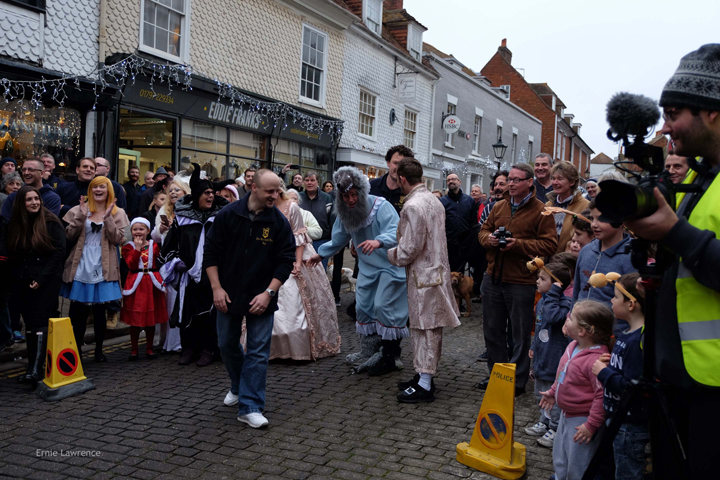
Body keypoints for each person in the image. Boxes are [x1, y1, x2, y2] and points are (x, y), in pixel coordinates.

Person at [617, 43, 720, 478]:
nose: (666, 126)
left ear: (711, 111)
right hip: (674, 378)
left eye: (675, 111)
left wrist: (673, 232)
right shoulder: (699, 175)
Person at [204, 169, 295, 429]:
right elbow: (210, 253)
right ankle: (238, 385)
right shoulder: (228, 215)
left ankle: (251, 406)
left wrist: (269, 293)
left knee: (257, 351)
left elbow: (285, 260)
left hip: (261, 297)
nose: (275, 195)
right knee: (227, 345)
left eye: (277, 190)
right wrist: (217, 288)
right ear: (252, 187)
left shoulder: (278, 221)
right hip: (228, 294)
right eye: (270, 191)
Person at [307, 167, 409, 376]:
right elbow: (339, 237)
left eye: (354, 195)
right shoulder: (345, 212)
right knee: (363, 307)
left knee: (384, 307)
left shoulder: (381, 206)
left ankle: (390, 355)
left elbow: (396, 231)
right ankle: (369, 350)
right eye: (346, 196)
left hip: (390, 266)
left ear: (361, 193)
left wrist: (378, 241)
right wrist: (322, 254)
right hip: (368, 268)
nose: (350, 200)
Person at [478, 163, 557, 395]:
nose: (510, 184)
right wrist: (489, 239)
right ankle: (497, 376)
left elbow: (549, 244)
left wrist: (518, 245)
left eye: (516, 180)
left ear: (529, 182)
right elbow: (482, 231)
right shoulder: (498, 206)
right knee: (492, 332)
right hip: (492, 277)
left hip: (521, 280)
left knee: (520, 334)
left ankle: (517, 381)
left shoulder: (541, 210)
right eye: (508, 180)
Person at [387, 157, 460, 403]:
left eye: (397, 179)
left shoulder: (413, 205)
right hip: (436, 271)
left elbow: (410, 248)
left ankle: (425, 383)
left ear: (403, 179)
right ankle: (421, 376)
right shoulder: (434, 200)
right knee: (425, 327)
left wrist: (390, 254)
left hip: (423, 276)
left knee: (425, 328)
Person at [158, 165, 232, 367]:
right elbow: (170, 246)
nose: (210, 196)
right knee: (187, 312)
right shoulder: (182, 218)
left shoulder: (222, 217)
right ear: (197, 194)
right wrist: (175, 262)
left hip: (214, 274)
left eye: (212, 193)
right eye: (206, 193)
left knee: (210, 312)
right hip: (188, 275)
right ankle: (189, 348)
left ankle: (209, 349)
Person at [539, 300, 613, 480]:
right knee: (560, 454)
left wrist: (591, 425)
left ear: (582, 331)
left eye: (570, 318)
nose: (566, 318)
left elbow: (601, 396)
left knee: (578, 460)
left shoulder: (597, 361)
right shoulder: (572, 347)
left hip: (582, 421)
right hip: (566, 414)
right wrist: (553, 392)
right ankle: (559, 476)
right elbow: (563, 374)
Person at [61, 176, 129, 363]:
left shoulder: (117, 212)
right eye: (95, 187)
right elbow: (69, 236)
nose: (98, 190)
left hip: (103, 263)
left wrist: (108, 219)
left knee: (101, 312)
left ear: (109, 191)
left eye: (102, 187)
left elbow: (117, 240)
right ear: (90, 190)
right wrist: (82, 216)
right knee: (78, 312)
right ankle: (76, 350)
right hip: (81, 263)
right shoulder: (78, 209)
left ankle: (99, 350)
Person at [269, 185, 340, 361]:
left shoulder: (295, 210)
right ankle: (273, 346)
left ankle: (296, 345)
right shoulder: (266, 207)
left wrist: (298, 263)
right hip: (273, 257)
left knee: (296, 300)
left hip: (295, 256)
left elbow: (302, 238)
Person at [592, 272, 648, 480]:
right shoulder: (627, 335)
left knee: (626, 474)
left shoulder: (637, 341)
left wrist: (604, 373)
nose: (611, 300)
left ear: (631, 304)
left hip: (629, 425)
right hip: (617, 420)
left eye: (615, 297)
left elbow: (632, 388)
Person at [7, 186, 65, 387]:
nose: (34, 202)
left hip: (46, 280)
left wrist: (41, 278)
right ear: (21, 203)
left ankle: (35, 370)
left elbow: (59, 252)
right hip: (23, 280)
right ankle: (32, 366)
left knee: (40, 321)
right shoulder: (16, 224)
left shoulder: (50, 222)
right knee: (30, 323)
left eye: (37, 199)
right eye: (29, 199)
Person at [526, 263, 572, 448]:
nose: (537, 281)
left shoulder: (563, 304)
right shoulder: (544, 301)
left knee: (554, 398)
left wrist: (554, 293)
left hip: (554, 360)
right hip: (541, 358)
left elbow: (553, 318)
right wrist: (534, 347)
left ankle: (554, 427)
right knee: (540, 394)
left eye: (542, 279)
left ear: (557, 285)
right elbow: (539, 328)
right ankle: (544, 422)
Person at [573, 201, 635, 334]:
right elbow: (577, 291)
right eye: (592, 218)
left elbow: (633, 305)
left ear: (621, 222)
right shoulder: (586, 251)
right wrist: (571, 317)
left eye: (601, 219)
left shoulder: (631, 257)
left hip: (612, 336)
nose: (594, 224)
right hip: (581, 333)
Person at [151, 179, 190, 353]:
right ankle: (167, 340)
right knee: (168, 301)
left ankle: (181, 341)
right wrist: (162, 229)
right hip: (168, 262)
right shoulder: (164, 211)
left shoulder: (190, 211)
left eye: (177, 190)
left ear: (185, 193)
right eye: (171, 191)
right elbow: (155, 236)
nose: (173, 193)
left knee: (182, 300)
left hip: (185, 261)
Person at [121, 218, 167, 361]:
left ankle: (149, 347)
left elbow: (159, 262)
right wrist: (137, 248)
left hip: (151, 284)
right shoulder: (128, 247)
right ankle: (134, 349)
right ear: (131, 231)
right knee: (135, 319)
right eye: (135, 229)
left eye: (141, 229)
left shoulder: (154, 245)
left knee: (150, 319)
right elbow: (132, 265)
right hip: (136, 284)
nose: (138, 232)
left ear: (147, 231)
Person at [546, 161, 590, 254]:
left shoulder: (586, 206)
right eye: (553, 178)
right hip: (545, 261)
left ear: (572, 182)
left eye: (560, 179)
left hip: (569, 261)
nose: (555, 182)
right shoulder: (548, 205)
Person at [299, 172, 334, 271]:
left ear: (318, 182)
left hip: (322, 242)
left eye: (312, 180)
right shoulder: (298, 198)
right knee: (303, 274)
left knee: (320, 272)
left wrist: (334, 242)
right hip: (302, 242)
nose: (309, 183)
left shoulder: (327, 198)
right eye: (307, 180)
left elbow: (333, 220)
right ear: (303, 182)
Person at [440, 173, 475, 273]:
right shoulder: (442, 201)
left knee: (461, 274)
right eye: (448, 180)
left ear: (459, 182)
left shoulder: (469, 200)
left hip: (464, 243)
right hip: (448, 243)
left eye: (453, 179)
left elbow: (473, 222)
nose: (451, 181)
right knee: (447, 272)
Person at [369, 145, 411, 214]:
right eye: (395, 163)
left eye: (402, 164)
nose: (398, 168)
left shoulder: (408, 192)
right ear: (388, 162)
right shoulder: (372, 186)